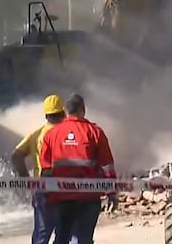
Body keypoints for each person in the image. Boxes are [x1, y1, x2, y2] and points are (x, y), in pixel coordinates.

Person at [39, 93, 117, 244]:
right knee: (83, 239)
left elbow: (46, 169)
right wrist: (111, 193)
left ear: (66, 111)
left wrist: (47, 195)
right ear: (83, 110)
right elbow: (107, 166)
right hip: (88, 197)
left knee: (61, 238)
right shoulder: (95, 132)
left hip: (61, 197)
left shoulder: (51, 134)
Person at [11, 94, 66, 244]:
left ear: (46, 114)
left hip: (42, 188)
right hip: (67, 188)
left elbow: (16, 156)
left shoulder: (37, 134)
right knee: (66, 232)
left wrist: (26, 180)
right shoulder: (69, 133)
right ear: (63, 112)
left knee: (42, 233)